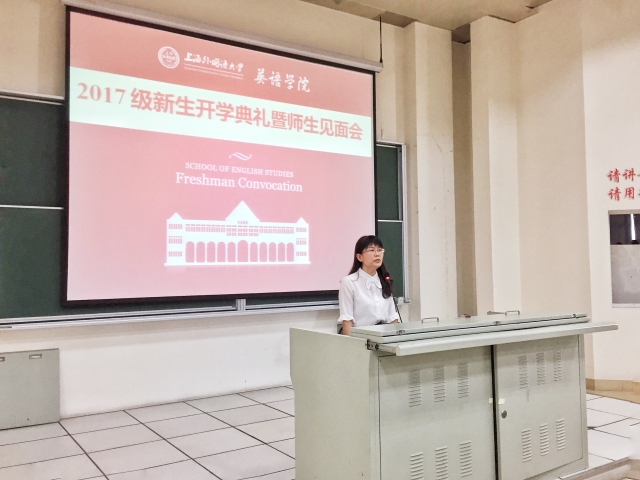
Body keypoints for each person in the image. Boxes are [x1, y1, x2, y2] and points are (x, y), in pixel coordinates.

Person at [339, 235, 399, 335]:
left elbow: (393, 318)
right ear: (359, 257)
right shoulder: (349, 282)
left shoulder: (385, 280)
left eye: (379, 250)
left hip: (384, 336)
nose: (377, 254)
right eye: (371, 250)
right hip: (361, 337)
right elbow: (347, 319)